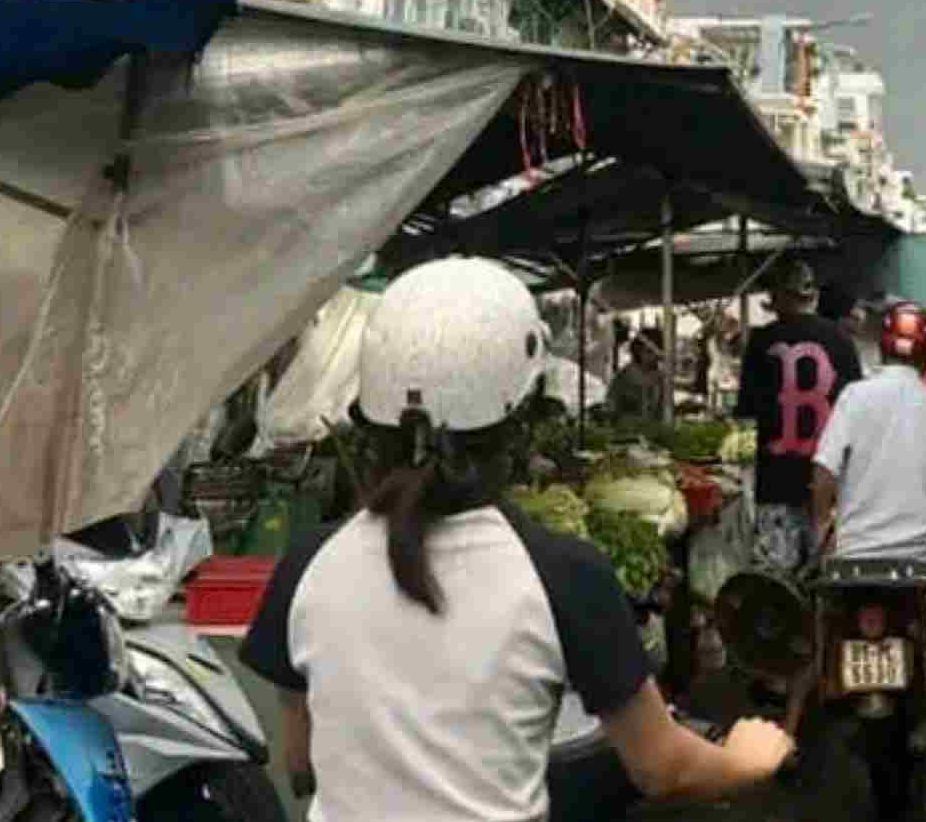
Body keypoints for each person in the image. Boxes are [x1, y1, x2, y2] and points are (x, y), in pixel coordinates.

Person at [240, 258, 790, 822]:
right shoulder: (565, 574)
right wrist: (747, 759)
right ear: (522, 418)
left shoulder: (308, 561)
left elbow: (302, 763)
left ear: (369, 416)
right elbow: (663, 768)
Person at [812, 299, 926, 720]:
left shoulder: (854, 396)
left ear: (883, 348)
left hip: (853, 554)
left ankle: (821, 671)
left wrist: (821, 526)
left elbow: (824, 473)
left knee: (821, 600)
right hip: (919, 559)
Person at [734, 256, 862, 741]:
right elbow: (855, 414)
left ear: (781, 297)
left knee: (780, 590)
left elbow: (748, 413)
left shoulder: (763, 342)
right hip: (828, 488)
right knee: (827, 586)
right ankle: (829, 675)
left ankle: (783, 676)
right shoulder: (842, 343)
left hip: (778, 484)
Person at [606, 329, 664, 424]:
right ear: (638, 350)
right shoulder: (623, 378)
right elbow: (611, 409)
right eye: (649, 352)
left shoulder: (661, 378)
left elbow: (663, 410)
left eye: (657, 353)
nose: (654, 357)